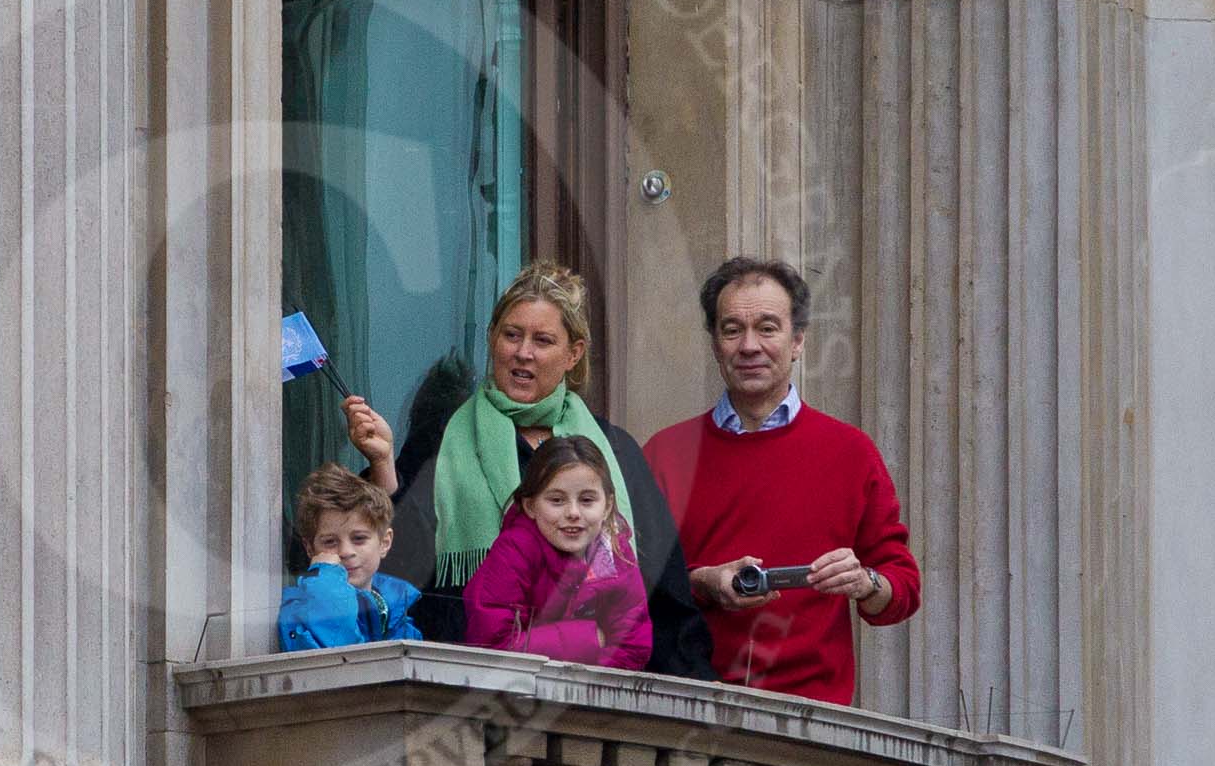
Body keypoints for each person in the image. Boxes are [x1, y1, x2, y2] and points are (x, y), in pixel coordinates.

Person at [344, 261, 716, 680]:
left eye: (543, 340)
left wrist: (694, 691)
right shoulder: (443, 439)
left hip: (594, 694)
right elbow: (395, 560)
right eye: (512, 335)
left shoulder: (614, 450)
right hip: (464, 685)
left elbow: (662, 591)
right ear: (492, 339)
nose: (523, 352)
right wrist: (382, 465)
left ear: (572, 354)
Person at [643, 257, 921, 705]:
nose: (749, 346)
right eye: (732, 329)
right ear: (714, 343)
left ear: (798, 341)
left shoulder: (851, 453)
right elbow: (629, 587)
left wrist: (865, 581)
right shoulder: (664, 454)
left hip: (812, 719)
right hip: (688, 709)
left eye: (768, 328)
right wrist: (702, 583)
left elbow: (902, 590)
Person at [463, 435, 652, 669]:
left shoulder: (614, 553)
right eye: (557, 500)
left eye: (587, 500)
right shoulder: (514, 551)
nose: (573, 512)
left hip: (593, 698)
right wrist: (590, 639)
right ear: (530, 505)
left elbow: (633, 647)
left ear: (608, 505)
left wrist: (582, 681)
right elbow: (493, 648)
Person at [277, 464, 424, 650]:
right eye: (330, 542)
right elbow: (341, 657)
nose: (346, 551)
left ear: (384, 542)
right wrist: (328, 580)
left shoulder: (397, 615)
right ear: (309, 548)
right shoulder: (299, 609)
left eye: (359, 539)